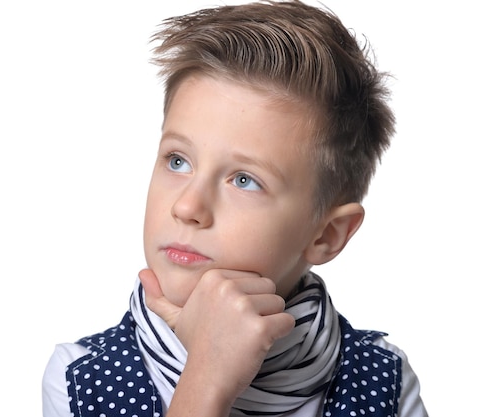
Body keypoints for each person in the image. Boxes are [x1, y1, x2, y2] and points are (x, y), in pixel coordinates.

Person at [42, 1, 428, 416]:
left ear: (326, 235)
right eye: (178, 161)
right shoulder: (80, 380)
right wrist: (206, 379)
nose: (187, 206)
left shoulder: (384, 382)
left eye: (244, 180)